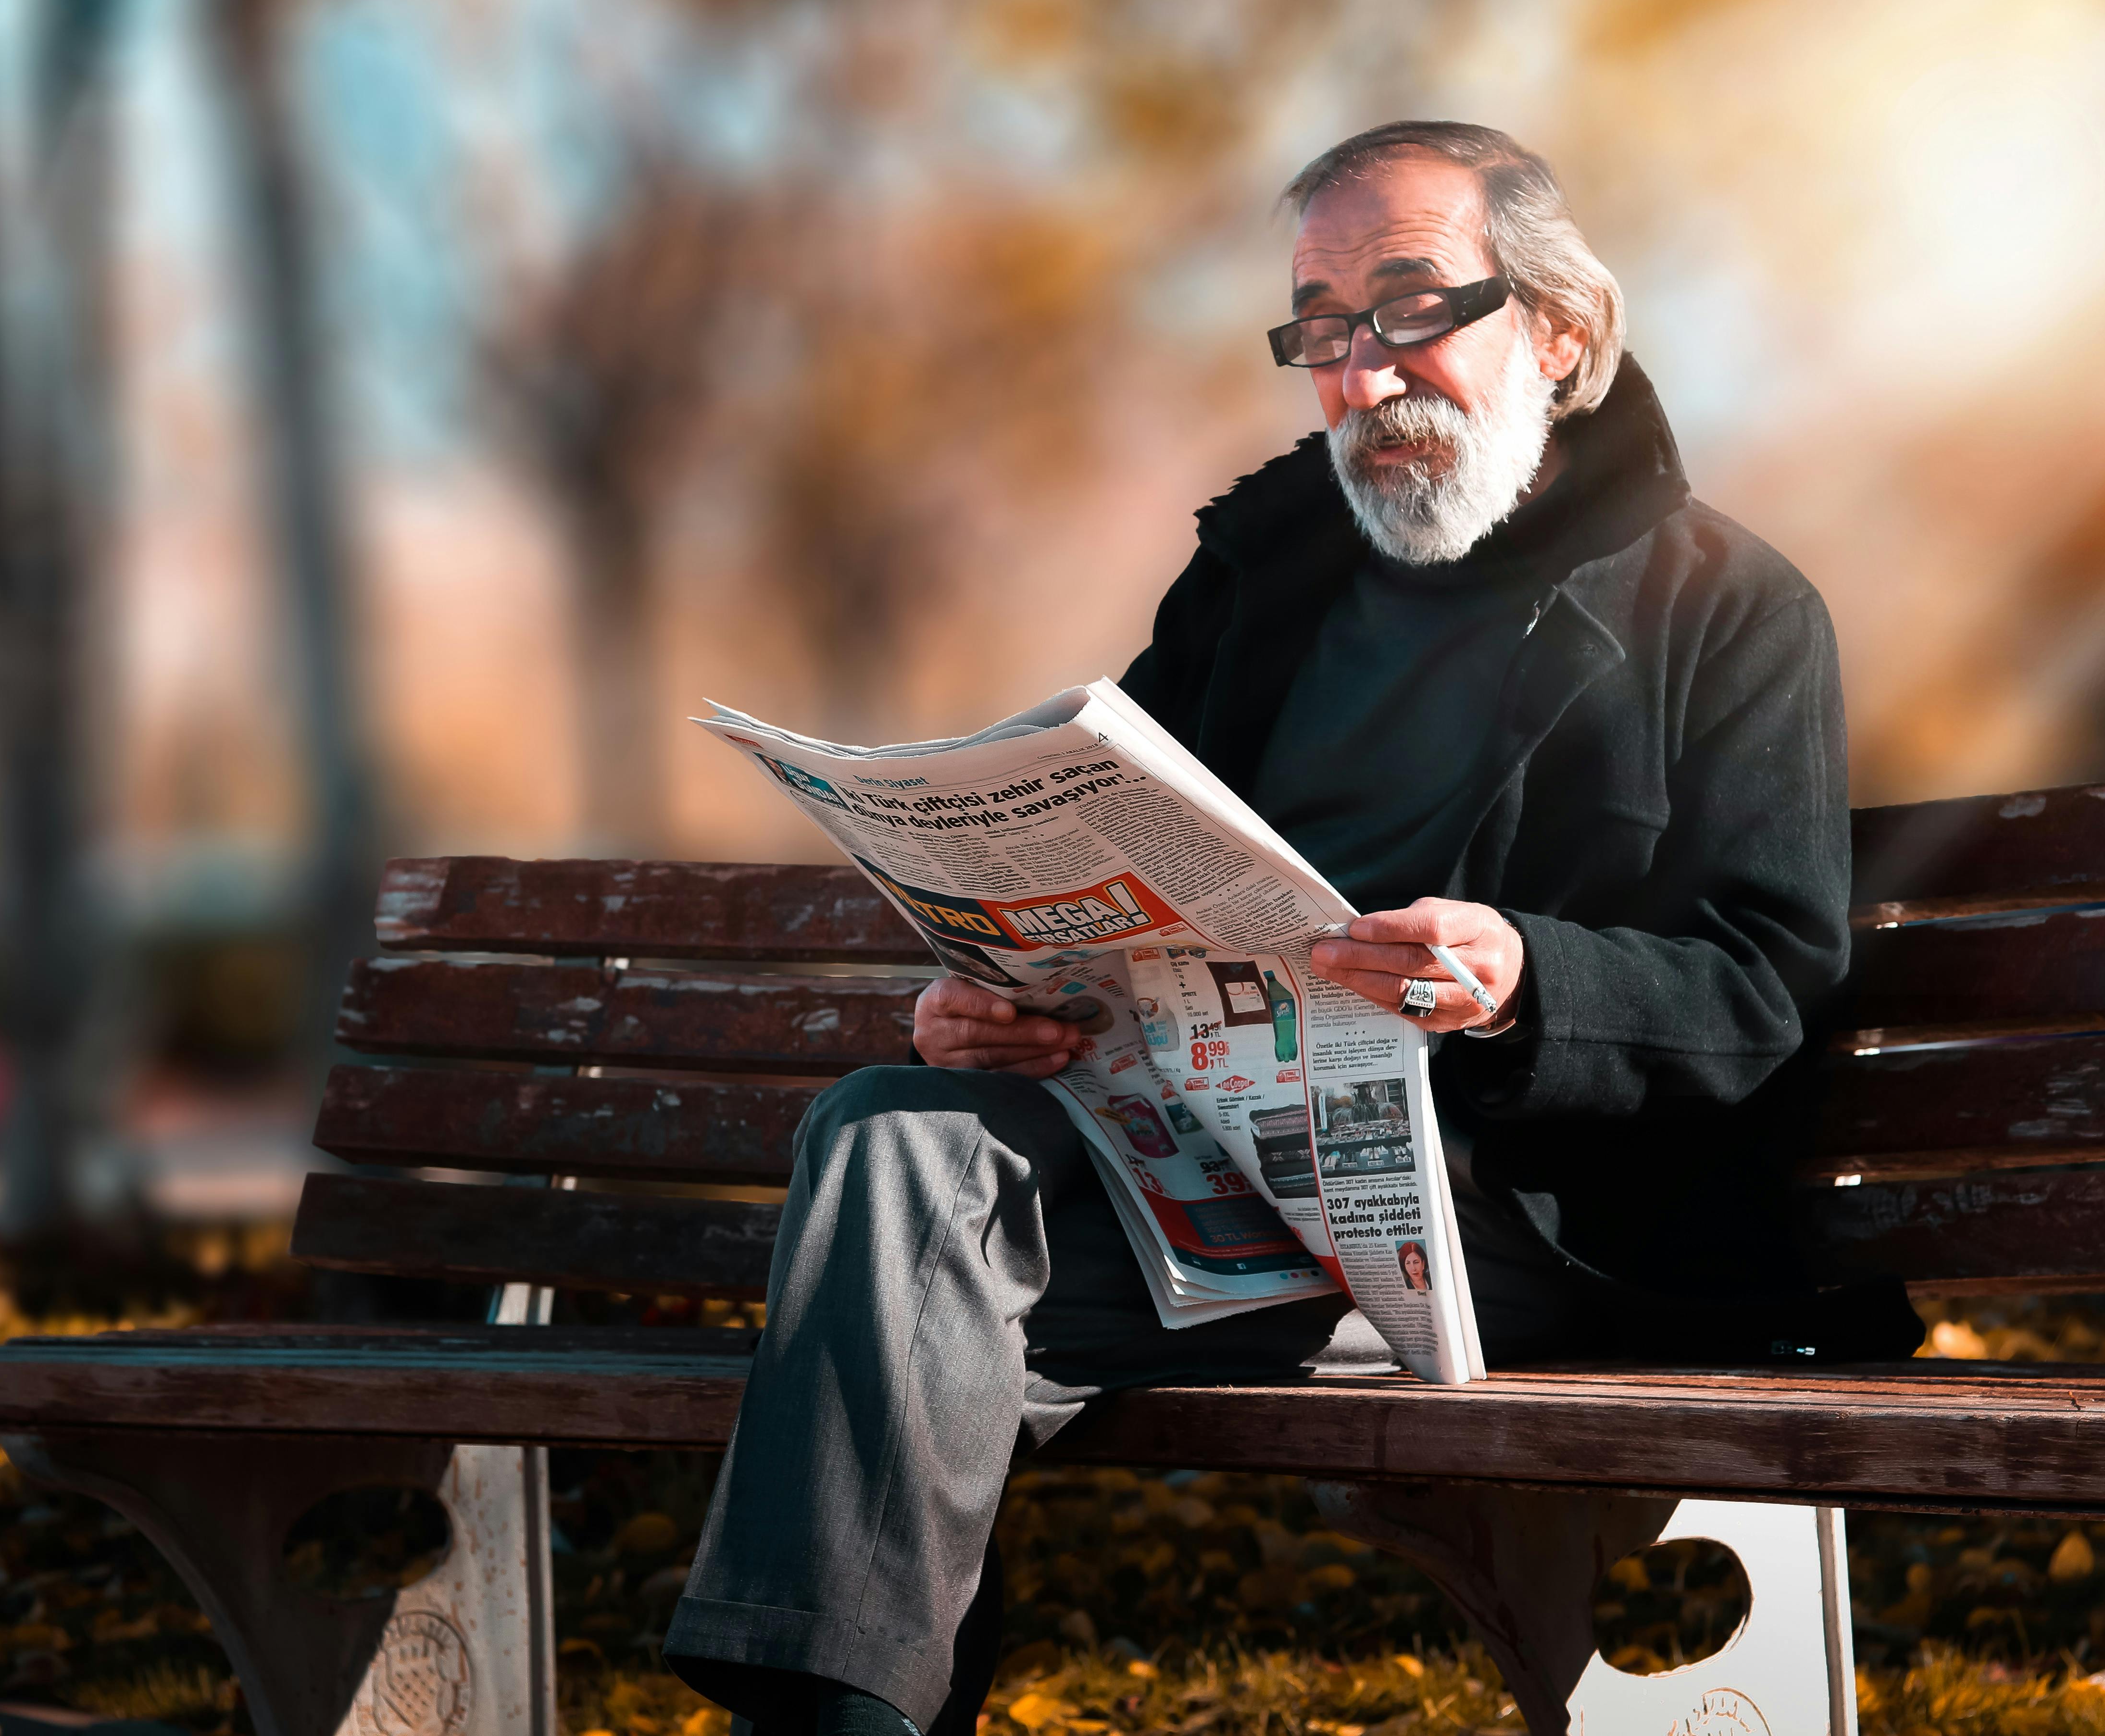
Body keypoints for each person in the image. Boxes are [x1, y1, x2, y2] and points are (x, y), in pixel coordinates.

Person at [663, 121, 1918, 1736]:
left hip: (1520, 1222)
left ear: (1556, 329)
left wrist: (1526, 978)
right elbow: (1107, 848)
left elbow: (1764, 988)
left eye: (1408, 307)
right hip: (1218, 1185)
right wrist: (1004, 997)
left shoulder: (1726, 609)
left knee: (919, 1291)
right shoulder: (1255, 587)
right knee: (896, 1135)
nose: (1360, 368)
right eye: (1321, 328)